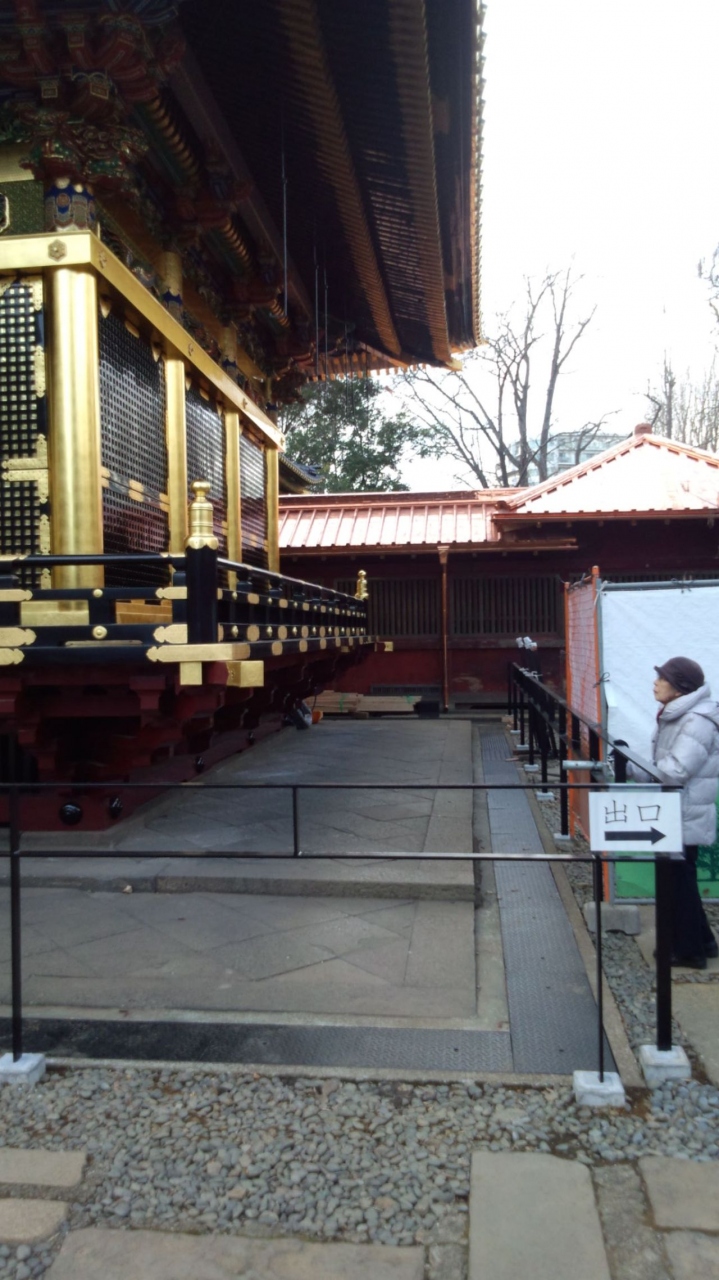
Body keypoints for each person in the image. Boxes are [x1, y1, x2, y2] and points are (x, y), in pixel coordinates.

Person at [627, 656, 719, 968]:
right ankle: (704, 941)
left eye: (662, 679)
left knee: (679, 879)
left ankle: (689, 951)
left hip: (684, 812)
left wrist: (634, 768)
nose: (655, 683)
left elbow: (676, 770)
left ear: (680, 688)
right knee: (682, 877)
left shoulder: (696, 721)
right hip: (679, 809)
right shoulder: (682, 714)